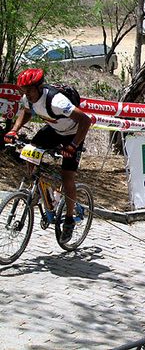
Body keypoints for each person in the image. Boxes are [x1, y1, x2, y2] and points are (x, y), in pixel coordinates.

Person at [4, 68, 91, 244]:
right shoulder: (28, 98)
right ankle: (36, 188)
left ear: (39, 87)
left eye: (29, 90)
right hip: (54, 130)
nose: (26, 94)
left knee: (67, 176)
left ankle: (68, 220)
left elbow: (85, 120)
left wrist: (73, 146)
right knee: (29, 152)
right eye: (23, 90)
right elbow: (26, 112)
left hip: (73, 134)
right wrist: (14, 130)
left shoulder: (56, 101)